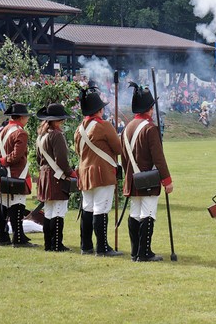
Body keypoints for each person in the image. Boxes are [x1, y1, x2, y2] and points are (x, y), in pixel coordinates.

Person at [121, 82, 173, 262]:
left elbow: (124, 158)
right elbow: (158, 158)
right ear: (150, 109)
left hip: (132, 177)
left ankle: (135, 251)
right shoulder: (150, 129)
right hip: (148, 179)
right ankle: (144, 253)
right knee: (148, 213)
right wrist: (167, 180)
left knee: (135, 212)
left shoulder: (127, 128)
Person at [74, 87, 123, 257]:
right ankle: (102, 248)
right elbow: (118, 148)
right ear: (99, 110)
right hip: (102, 173)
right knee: (101, 209)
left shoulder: (79, 128)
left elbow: (77, 151)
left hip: (85, 173)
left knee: (88, 208)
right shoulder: (104, 126)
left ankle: (86, 245)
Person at [0, 102, 37, 248]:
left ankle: (1, 236)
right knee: (17, 205)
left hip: (3, 173)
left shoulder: (3, 130)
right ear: (21, 117)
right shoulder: (20, 132)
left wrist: (1, 160)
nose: (27, 119)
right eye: (26, 117)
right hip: (16, 173)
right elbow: (16, 156)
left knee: (3, 204)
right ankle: (18, 238)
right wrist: (4, 160)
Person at [36, 103, 77, 252]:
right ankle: (57, 245)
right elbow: (62, 160)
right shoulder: (57, 135)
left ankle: (49, 244)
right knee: (58, 211)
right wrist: (70, 173)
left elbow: (38, 159)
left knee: (49, 212)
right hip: (56, 176)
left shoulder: (41, 135)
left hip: (45, 175)